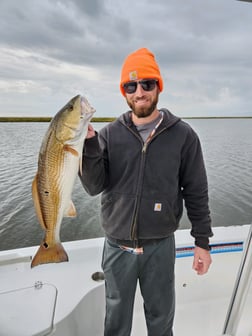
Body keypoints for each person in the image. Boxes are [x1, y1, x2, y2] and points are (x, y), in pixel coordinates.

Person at [79, 47, 213, 336]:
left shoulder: (184, 136)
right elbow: (93, 187)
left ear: (158, 87)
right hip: (116, 247)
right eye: (131, 85)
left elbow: (196, 191)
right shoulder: (108, 134)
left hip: (160, 247)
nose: (139, 92)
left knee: (161, 320)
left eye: (147, 84)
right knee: (115, 321)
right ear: (124, 91)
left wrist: (202, 240)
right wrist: (89, 146)